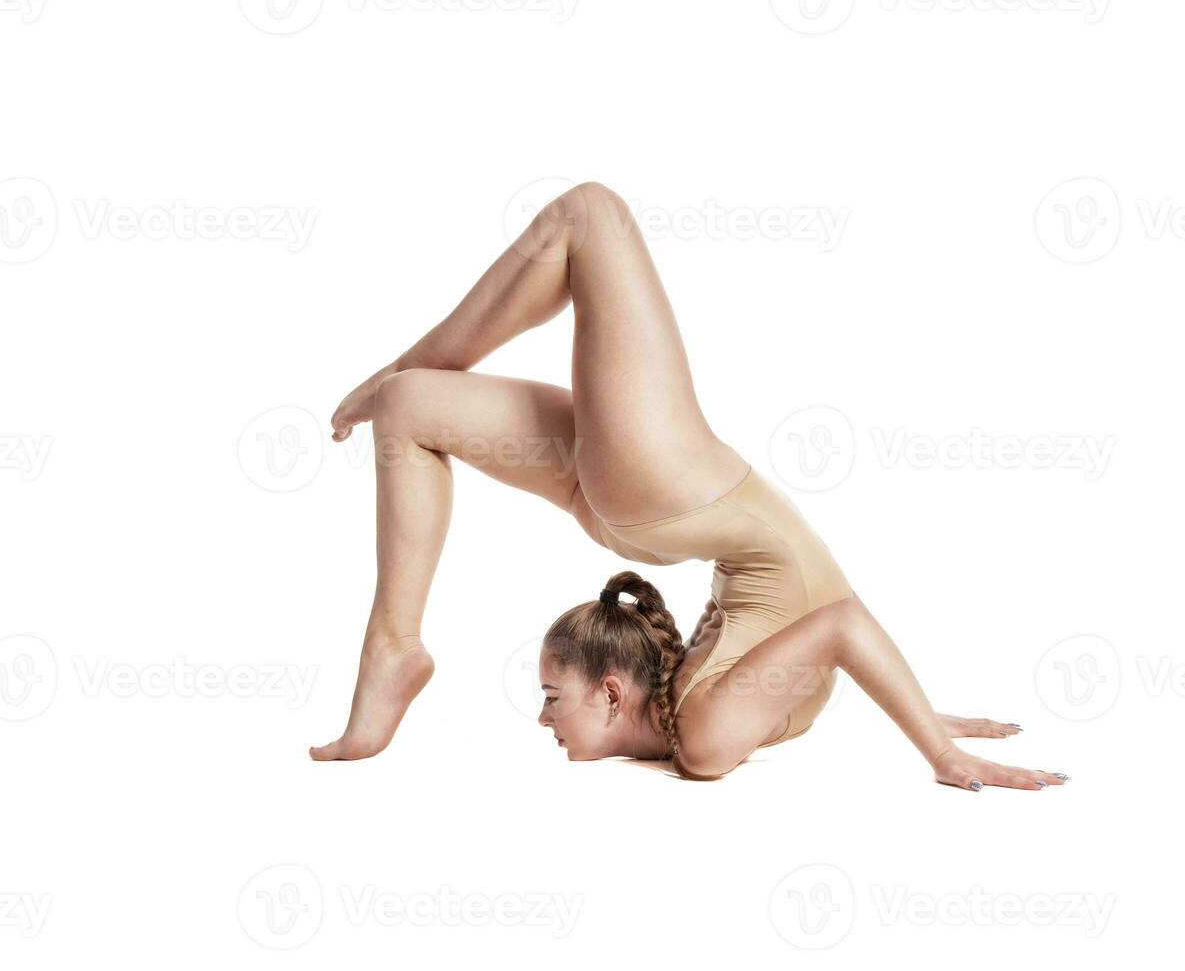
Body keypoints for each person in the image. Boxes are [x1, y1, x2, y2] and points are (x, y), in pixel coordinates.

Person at [308, 182, 1068, 791]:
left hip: (644, 503)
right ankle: (391, 634)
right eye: (549, 697)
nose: (544, 722)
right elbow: (839, 625)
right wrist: (935, 746)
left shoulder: (704, 717)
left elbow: (822, 637)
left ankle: (392, 638)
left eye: (549, 699)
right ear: (612, 693)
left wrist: (913, 712)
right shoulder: (704, 735)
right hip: (664, 490)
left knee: (410, 406)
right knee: (589, 217)